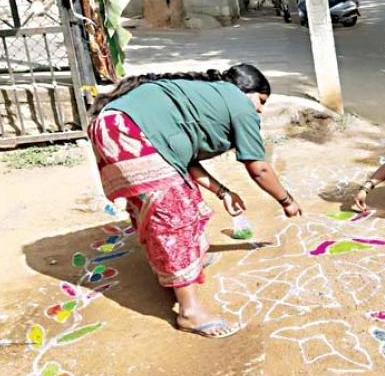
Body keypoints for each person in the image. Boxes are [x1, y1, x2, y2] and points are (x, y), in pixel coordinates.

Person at [87, 64, 302, 339]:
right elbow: (258, 167)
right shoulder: (239, 104)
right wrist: (287, 201)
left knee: (167, 203)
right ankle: (189, 311)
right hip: (130, 133)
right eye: (261, 102)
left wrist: (223, 191)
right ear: (246, 92)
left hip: (114, 129)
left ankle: (183, 260)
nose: (259, 110)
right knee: (176, 216)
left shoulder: (200, 98)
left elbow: (181, 159)